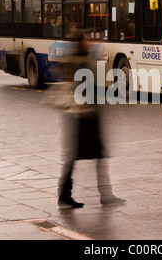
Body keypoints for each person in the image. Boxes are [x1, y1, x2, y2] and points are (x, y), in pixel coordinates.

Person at [57, 32, 125, 208]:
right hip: (83, 116)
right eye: (87, 39)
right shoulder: (77, 62)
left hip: (87, 115)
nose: (91, 42)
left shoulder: (82, 59)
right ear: (81, 42)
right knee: (84, 155)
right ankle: (69, 194)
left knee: (94, 155)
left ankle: (100, 194)